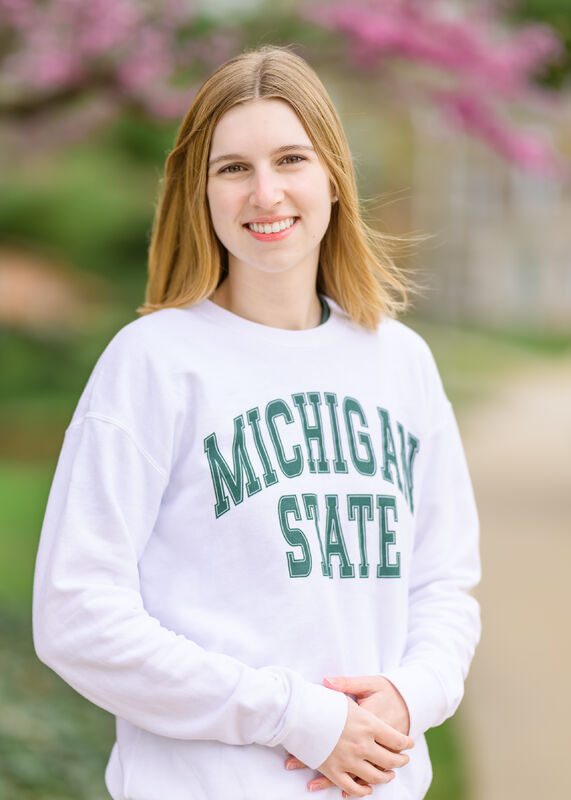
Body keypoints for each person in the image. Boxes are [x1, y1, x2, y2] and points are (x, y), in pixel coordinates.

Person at [33, 45, 480, 800]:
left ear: (333, 175)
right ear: (199, 192)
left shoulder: (400, 364)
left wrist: (410, 694)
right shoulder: (155, 361)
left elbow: (442, 586)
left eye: (290, 159)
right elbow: (77, 614)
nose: (265, 192)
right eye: (232, 168)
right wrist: (294, 716)